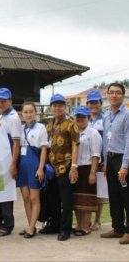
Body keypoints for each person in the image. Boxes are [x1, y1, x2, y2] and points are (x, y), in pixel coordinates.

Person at [43, 93, 80, 241]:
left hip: (66, 167)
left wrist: (74, 167)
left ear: (65, 107)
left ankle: (65, 229)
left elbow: (75, 146)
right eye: (55, 105)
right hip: (51, 169)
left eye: (60, 105)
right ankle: (55, 224)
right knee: (53, 199)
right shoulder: (49, 124)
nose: (57, 108)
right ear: (51, 107)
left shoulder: (71, 123)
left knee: (66, 200)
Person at [100, 83, 129, 245]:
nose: (114, 95)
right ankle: (117, 227)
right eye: (111, 93)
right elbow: (106, 140)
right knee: (114, 195)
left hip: (122, 159)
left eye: (118, 93)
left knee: (126, 196)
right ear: (107, 95)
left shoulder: (127, 115)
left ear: (123, 96)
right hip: (110, 160)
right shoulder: (107, 115)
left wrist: (125, 166)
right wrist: (105, 162)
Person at [0, 88, 21, 237]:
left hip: (9, 160)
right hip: (1, 160)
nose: (1, 103)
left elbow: (16, 143)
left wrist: (13, 164)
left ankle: (8, 225)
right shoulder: (3, 116)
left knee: (7, 193)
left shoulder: (14, 117)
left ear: (10, 101)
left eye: (4, 100)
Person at [16, 102, 48, 239]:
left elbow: (44, 149)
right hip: (22, 166)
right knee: (26, 198)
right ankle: (31, 226)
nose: (28, 114)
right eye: (26, 112)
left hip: (34, 165)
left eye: (31, 112)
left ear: (35, 113)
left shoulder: (41, 128)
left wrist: (40, 168)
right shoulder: (20, 128)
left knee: (35, 198)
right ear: (22, 114)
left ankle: (31, 227)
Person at [72, 106, 101, 236]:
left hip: (88, 167)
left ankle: (85, 226)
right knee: (77, 199)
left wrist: (93, 173)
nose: (80, 119)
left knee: (87, 199)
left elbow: (95, 154)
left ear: (88, 118)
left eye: (83, 117)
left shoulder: (93, 133)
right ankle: (79, 225)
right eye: (78, 117)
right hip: (75, 168)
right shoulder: (73, 132)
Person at [86, 90, 107, 231]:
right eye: (91, 103)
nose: (94, 105)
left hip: (100, 161)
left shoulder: (105, 120)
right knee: (86, 191)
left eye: (96, 102)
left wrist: (105, 162)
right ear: (87, 104)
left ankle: (97, 220)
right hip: (85, 161)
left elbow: (107, 143)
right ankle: (86, 220)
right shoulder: (82, 118)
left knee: (100, 192)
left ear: (100, 103)